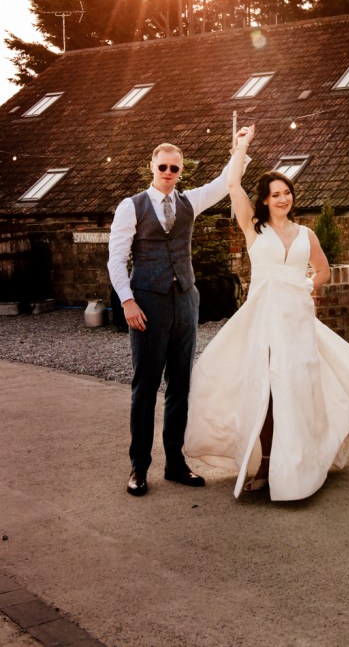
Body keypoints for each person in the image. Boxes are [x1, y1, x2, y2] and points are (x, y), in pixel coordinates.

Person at [183, 124, 349, 501]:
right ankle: (263, 465)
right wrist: (241, 149)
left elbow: (322, 270)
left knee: (295, 390)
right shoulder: (253, 229)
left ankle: (297, 465)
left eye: (287, 193)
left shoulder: (307, 234)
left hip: (297, 321)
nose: (282, 199)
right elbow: (231, 185)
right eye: (275, 194)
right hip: (262, 318)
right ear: (263, 200)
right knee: (265, 389)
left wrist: (309, 286)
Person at [108, 137, 248, 497]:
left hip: (185, 302)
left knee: (181, 385)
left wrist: (240, 149)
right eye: (163, 167)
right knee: (145, 388)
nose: (169, 173)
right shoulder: (132, 206)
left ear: (180, 170)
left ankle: (175, 463)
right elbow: (116, 258)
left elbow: (223, 182)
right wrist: (127, 301)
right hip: (146, 306)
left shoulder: (190, 201)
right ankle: (139, 467)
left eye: (175, 168)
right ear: (152, 168)